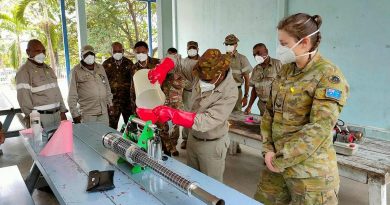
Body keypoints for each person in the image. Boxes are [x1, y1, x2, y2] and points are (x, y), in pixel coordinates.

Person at [254, 13, 349, 205]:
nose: (279, 49)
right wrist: (268, 151)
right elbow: (269, 114)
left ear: (304, 42)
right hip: (275, 167)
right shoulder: (286, 70)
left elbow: (319, 128)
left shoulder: (328, 75)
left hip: (310, 175)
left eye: (284, 43)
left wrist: (279, 159)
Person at [137, 49, 238, 182]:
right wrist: (163, 68)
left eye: (206, 79)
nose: (201, 81)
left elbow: (205, 121)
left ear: (220, 74)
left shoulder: (230, 92)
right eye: (200, 77)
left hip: (212, 145)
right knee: (192, 181)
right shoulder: (200, 68)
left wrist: (172, 114)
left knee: (211, 187)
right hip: (193, 138)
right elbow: (176, 60)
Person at [15, 39, 68, 129]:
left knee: (59, 142)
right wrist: (35, 122)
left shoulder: (48, 69)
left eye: (43, 51)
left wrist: (62, 112)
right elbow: (24, 100)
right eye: (37, 51)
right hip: (41, 118)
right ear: (28, 52)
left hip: (57, 115)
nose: (41, 54)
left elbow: (57, 91)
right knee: (44, 143)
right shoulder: (24, 71)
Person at [68, 45, 113, 125]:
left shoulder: (100, 68)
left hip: (103, 112)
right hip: (87, 114)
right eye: (86, 54)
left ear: (94, 55)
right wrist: (74, 114)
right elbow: (72, 94)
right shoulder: (75, 71)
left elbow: (107, 86)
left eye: (91, 54)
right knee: (90, 136)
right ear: (81, 56)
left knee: (104, 134)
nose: (89, 56)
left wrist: (110, 103)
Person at [244, 43, 282, 116]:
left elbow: (285, 85)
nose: (256, 56)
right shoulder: (256, 69)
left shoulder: (277, 64)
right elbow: (254, 90)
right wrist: (249, 106)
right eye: (254, 55)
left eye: (259, 53)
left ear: (266, 51)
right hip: (262, 106)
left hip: (276, 106)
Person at [103, 42, 134, 129]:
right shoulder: (105, 65)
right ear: (111, 52)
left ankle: (130, 143)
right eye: (115, 51)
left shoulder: (129, 63)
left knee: (131, 127)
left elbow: (134, 83)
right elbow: (103, 84)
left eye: (119, 51)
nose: (117, 53)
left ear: (123, 51)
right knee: (111, 127)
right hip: (113, 102)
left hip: (127, 101)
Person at [129, 41, 160, 115]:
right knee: (144, 125)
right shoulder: (134, 68)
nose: (141, 54)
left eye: (143, 52)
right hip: (142, 103)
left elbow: (165, 82)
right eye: (138, 52)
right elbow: (133, 88)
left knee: (159, 125)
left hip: (157, 100)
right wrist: (134, 107)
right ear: (135, 52)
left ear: (147, 50)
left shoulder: (157, 63)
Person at [224, 34, 252, 111]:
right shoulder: (221, 58)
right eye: (227, 44)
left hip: (236, 92)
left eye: (231, 44)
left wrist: (246, 96)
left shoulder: (242, 59)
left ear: (236, 45)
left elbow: (247, 79)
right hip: (222, 92)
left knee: (236, 116)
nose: (229, 46)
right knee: (221, 115)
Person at [181, 41, 200, 149]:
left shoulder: (203, 61)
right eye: (189, 48)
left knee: (199, 116)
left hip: (200, 93)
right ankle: (185, 139)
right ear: (187, 49)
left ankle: (197, 139)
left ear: (198, 49)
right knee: (186, 116)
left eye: (194, 48)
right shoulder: (184, 62)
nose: (191, 50)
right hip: (187, 93)